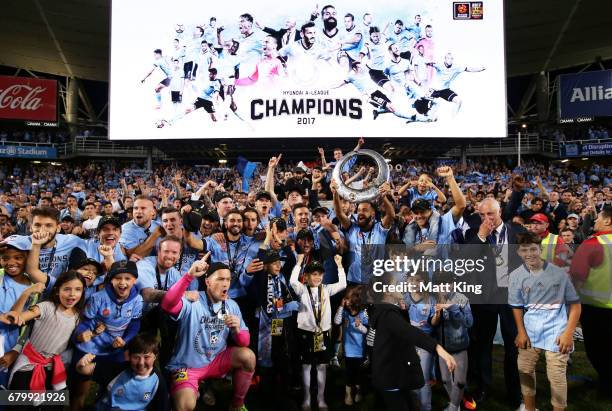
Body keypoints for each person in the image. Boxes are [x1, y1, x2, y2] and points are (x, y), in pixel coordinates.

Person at [160, 259, 255, 411]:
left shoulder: (231, 305)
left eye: (228, 279)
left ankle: (237, 404)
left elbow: (245, 342)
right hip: (187, 366)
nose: (225, 284)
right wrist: (189, 276)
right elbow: (167, 304)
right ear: (208, 282)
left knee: (248, 357)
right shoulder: (194, 299)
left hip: (215, 361)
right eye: (220, 279)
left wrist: (237, 330)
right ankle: (197, 388)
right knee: (185, 405)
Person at [510, 232, 581, 411]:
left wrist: (568, 333)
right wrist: (521, 331)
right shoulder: (516, 276)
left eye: (533, 249)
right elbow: (516, 306)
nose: (529, 254)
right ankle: (529, 408)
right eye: (524, 250)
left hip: (557, 332)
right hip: (530, 329)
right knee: (525, 371)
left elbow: (575, 305)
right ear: (518, 252)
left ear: (540, 249)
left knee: (556, 377)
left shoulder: (559, 274)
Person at [369, 272, 457, 411]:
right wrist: (439, 349)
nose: (401, 286)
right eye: (396, 284)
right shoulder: (388, 315)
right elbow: (411, 333)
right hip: (391, 378)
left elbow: (402, 330)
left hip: (389, 375)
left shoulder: (386, 311)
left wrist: (403, 311)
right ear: (387, 291)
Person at [1, 270, 85, 409]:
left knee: (55, 405)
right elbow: (18, 318)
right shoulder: (46, 307)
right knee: (17, 405)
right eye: (67, 289)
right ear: (57, 291)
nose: (72, 294)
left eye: (78, 289)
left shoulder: (78, 317)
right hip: (27, 366)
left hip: (54, 368)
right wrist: (26, 294)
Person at [72, 261, 143, 411]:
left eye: (127, 278)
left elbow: (135, 323)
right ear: (111, 279)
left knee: (112, 388)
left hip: (114, 349)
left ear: (134, 280)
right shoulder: (98, 297)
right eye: (118, 278)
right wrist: (81, 334)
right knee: (80, 390)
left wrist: (125, 340)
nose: (122, 282)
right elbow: (86, 320)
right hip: (89, 348)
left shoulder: (137, 300)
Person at [290, 254, 346, 411]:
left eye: (320, 274)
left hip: (323, 334)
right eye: (314, 274)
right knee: (306, 366)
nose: (318, 277)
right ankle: (307, 398)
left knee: (322, 366)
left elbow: (342, 284)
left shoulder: (326, 289)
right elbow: (293, 281)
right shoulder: (302, 290)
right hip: (306, 334)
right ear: (306, 276)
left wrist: (340, 266)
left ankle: (321, 399)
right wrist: (299, 263)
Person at [569, 206, 612, 393]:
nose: (595, 221)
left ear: (608, 221)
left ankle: (607, 385)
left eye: (598, 218)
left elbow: (577, 276)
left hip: (597, 309)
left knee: (598, 351)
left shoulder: (593, 243)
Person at [78, 334, 169, 411]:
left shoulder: (158, 382)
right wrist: (82, 364)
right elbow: (83, 370)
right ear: (129, 356)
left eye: (146, 357)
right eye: (136, 357)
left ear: (155, 356)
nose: (141, 363)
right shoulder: (118, 369)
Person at [429, 271, 473, 411]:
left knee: (460, 382)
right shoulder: (432, 299)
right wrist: (437, 313)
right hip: (443, 348)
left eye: (447, 283)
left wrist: (452, 308)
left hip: (460, 345)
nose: (443, 287)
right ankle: (455, 404)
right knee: (446, 380)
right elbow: (433, 324)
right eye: (439, 284)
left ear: (453, 283)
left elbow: (469, 322)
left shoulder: (462, 298)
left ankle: (453, 406)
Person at [0, 243, 38, 387]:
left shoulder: (35, 286)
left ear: (28, 258)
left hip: (11, 344)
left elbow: (28, 326)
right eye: (5, 258)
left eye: (18, 257)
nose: (11, 262)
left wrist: (16, 350)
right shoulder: (1, 275)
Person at [334, 285, 368, 406]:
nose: (345, 300)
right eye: (345, 298)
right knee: (348, 372)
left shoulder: (363, 314)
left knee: (358, 373)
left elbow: (367, 332)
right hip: (348, 348)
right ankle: (348, 393)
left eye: (348, 298)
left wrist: (360, 326)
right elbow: (337, 322)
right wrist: (340, 306)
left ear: (356, 299)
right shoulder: (345, 312)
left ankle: (358, 391)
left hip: (360, 349)